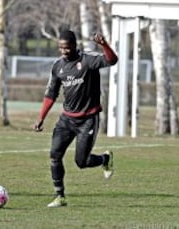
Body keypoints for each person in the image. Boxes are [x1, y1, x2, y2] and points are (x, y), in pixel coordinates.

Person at [33, 30, 118, 208]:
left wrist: (104, 44)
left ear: (74, 45)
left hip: (88, 119)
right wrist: (41, 118)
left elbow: (112, 60)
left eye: (67, 47)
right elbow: (51, 94)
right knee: (54, 156)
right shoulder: (57, 66)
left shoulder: (88, 60)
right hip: (66, 120)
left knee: (81, 162)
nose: (64, 51)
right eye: (60, 48)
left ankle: (104, 159)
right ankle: (60, 196)